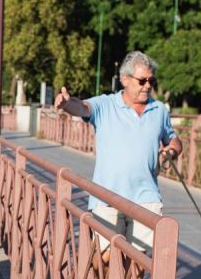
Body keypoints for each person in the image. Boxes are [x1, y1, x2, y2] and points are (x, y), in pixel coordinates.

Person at [54, 50, 182, 257]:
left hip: (146, 197)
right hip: (108, 197)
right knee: (104, 259)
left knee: (138, 261)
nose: (148, 85)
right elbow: (83, 107)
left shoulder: (159, 110)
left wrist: (172, 150)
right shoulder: (106, 104)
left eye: (151, 80)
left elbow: (173, 138)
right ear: (125, 79)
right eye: (142, 81)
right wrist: (68, 104)